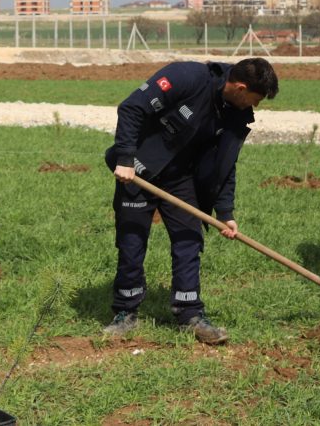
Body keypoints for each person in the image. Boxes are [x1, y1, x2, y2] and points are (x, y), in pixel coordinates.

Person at [102, 57, 279, 345]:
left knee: (189, 239)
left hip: (179, 179)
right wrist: (124, 158)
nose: (254, 107)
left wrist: (225, 211)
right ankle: (125, 311)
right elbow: (132, 107)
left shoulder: (234, 113)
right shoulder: (186, 76)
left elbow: (226, 163)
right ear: (241, 87)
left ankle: (189, 312)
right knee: (131, 242)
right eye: (254, 100)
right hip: (138, 171)